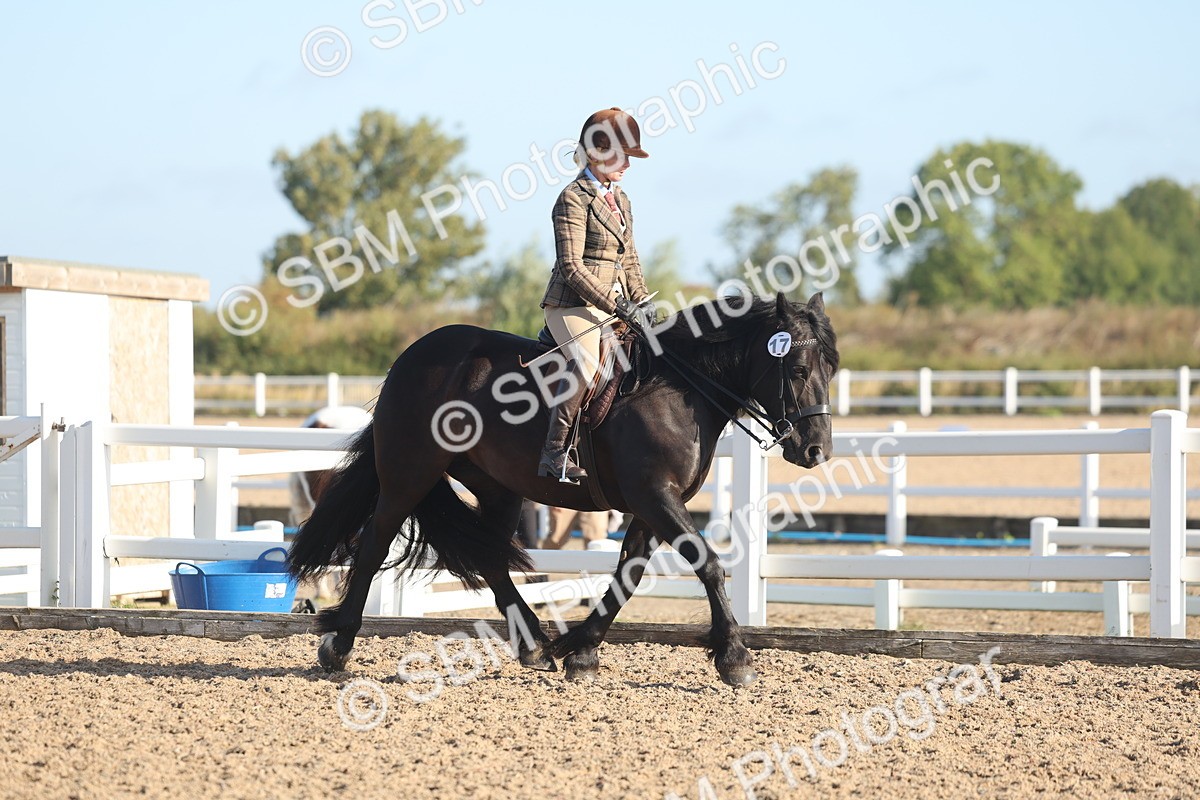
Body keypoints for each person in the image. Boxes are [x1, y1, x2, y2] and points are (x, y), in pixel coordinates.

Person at [537, 107, 653, 481]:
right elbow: (571, 267)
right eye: (622, 157)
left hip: (616, 306)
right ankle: (554, 453)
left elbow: (629, 257)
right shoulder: (572, 198)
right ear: (596, 152)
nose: (627, 167)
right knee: (588, 363)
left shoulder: (622, 200)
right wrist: (618, 304)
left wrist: (643, 301)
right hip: (571, 305)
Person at [541, 506, 611, 550]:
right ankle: (542, 568)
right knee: (556, 539)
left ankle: (594, 571)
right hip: (565, 491)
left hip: (593, 493)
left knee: (596, 542)